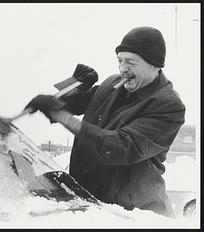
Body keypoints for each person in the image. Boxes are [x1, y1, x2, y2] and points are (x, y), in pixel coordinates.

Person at [25, 26, 185, 217]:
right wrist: (71, 86)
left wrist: (62, 117)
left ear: (155, 65)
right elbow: (71, 104)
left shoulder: (168, 105)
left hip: (133, 215)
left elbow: (120, 147)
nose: (123, 68)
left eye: (131, 62)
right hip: (89, 205)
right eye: (120, 61)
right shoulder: (113, 85)